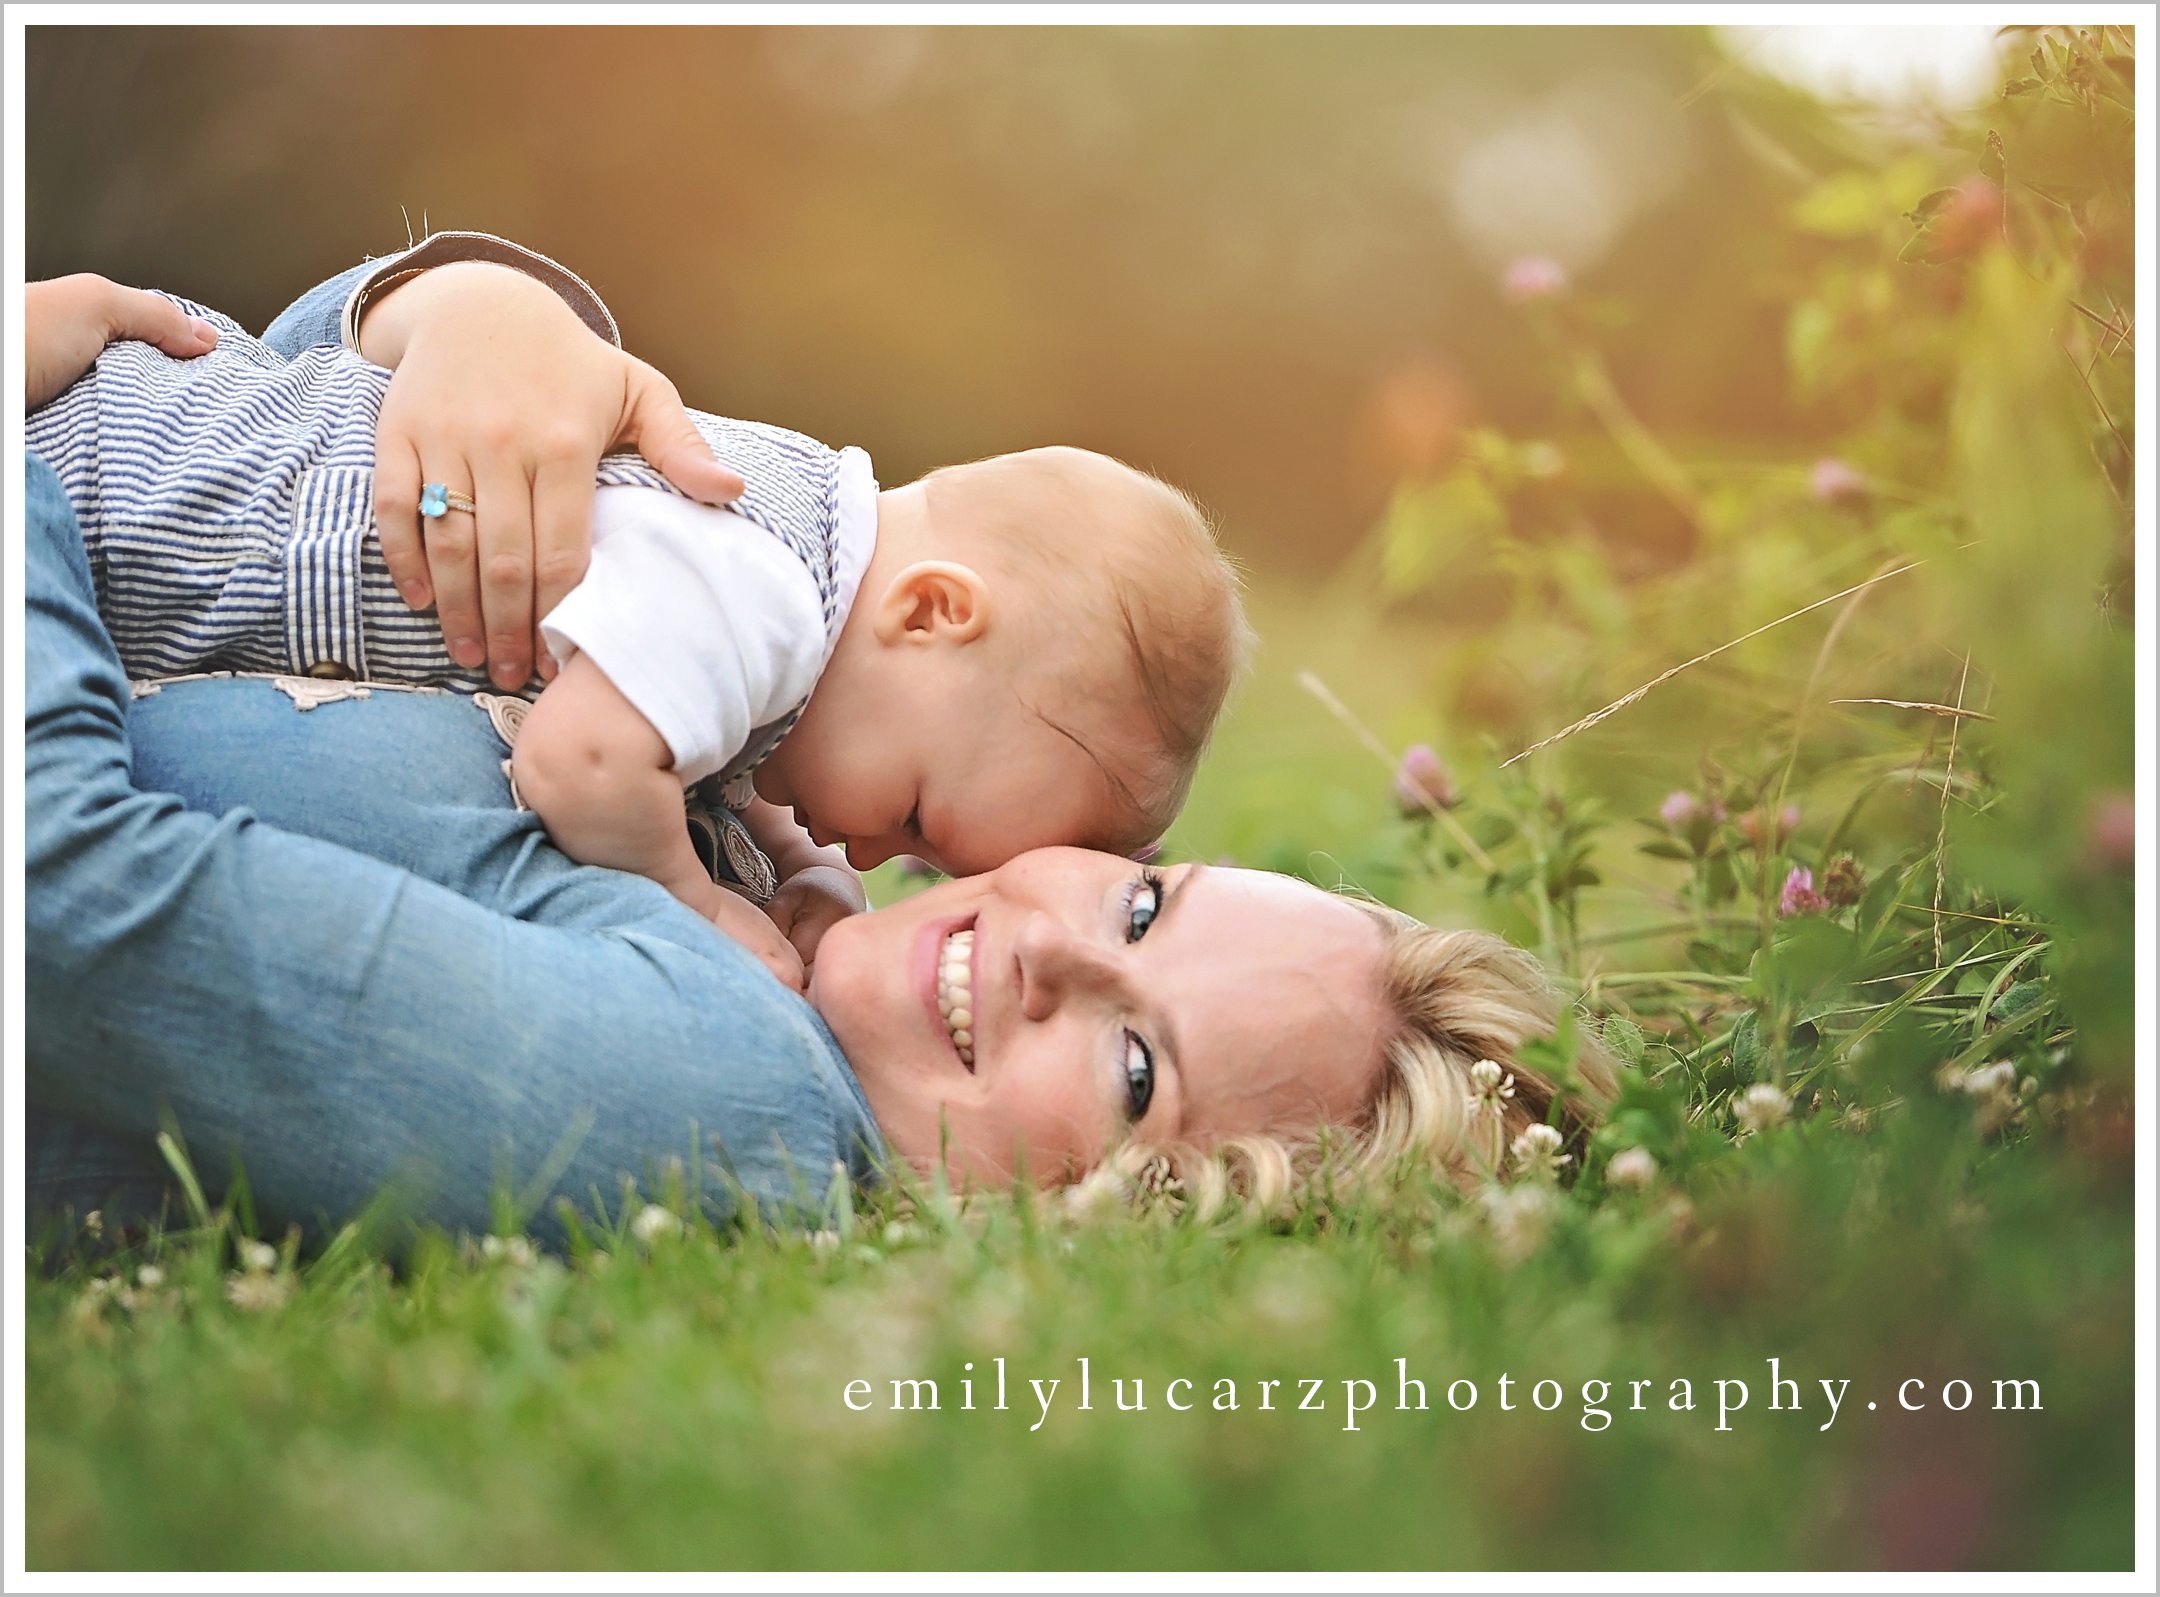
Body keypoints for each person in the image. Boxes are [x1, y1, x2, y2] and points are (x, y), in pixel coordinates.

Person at [23, 249, 1611, 1247]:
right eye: (1143, 904)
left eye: (1138, 1069)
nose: (1049, 947)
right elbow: (283, 478)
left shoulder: (717, 1104)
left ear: (1138, 1216)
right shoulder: (752, 817)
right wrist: (478, 312)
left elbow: (58, 903)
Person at [27, 269, 1246, 988]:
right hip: (146, 504)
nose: (877, 851)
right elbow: (586, 761)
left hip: (165, 477)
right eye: (917, 817)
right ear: (930, 612)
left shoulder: (801, 553)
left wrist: (811, 870)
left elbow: (705, 731)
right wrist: (698, 900)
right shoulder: (762, 590)